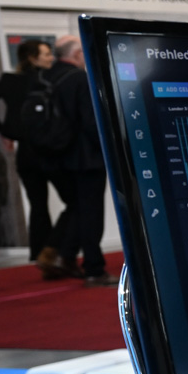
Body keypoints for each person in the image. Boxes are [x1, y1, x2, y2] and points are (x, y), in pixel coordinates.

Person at [0, 39, 72, 273]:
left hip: (25, 152)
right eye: (46, 54)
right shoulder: (46, 81)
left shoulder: (9, 80)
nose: (51, 58)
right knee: (74, 201)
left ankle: (39, 252)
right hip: (47, 150)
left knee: (38, 204)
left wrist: (3, 130)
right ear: (32, 57)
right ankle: (53, 249)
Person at [46, 36, 111, 287]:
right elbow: (91, 123)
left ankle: (66, 257)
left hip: (57, 158)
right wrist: (110, 148)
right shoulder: (79, 79)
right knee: (90, 214)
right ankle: (94, 268)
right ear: (76, 54)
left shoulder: (47, 77)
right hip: (87, 159)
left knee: (76, 209)